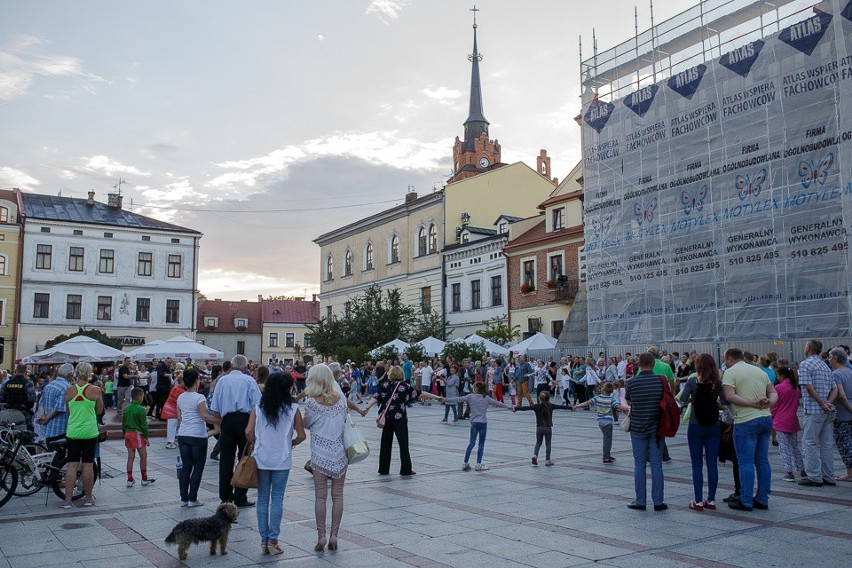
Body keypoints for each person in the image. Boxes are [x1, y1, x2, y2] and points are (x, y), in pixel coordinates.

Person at [246, 372, 306, 555]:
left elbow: (248, 431)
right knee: (277, 499)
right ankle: (273, 540)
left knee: (262, 499)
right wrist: (291, 443)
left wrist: (256, 442)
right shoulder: (293, 409)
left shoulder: (258, 407)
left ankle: (263, 540)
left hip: (262, 457)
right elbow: (302, 435)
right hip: (282, 458)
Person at [302, 364, 359, 551]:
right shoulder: (341, 397)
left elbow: (307, 424)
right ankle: (335, 535)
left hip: (320, 453)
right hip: (340, 452)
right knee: (338, 495)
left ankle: (321, 536)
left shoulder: (311, 402)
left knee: (320, 497)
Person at [722, 347, 777, 511]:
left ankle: (745, 500)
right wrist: (769, 402)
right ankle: (762, 498)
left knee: (745, 462)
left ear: (731, 359)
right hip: (765, 418)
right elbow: (773, 392)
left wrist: (751, 403)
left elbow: (730, 396)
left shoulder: (730, 372)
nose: (725, 363)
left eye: (725, 360)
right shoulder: (759, 371)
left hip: (745, 420)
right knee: (762, 460)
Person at [364, 365, 439, 476]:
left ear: (390, 374)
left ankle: (383, 469)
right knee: (403, 444)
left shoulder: (384, 385)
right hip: (400, 418)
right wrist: (436, 397)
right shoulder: (405, 386)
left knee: (385, 444)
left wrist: (366, 408)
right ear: (401, 374)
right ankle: (405, 469)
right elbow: (420, 394)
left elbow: (375, 397)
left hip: (387, 418)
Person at [210, 354, 262, 507]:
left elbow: (215, 408)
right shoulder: (250, 381)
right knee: (244, 457)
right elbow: (258, 406)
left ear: (231, 367)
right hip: (245, 420)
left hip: (228, 420)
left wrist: (221, 421)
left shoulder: (222, 381)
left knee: (226, 458)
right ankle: (240, 496)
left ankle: (225, 496)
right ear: (246, 368)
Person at [678, 354, 724, 511]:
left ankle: (697, 501)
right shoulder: (717, 382)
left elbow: (683, 399)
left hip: (695, 426)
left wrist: (692, 400)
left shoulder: (692, 381)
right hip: (714, 425)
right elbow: (724, 403)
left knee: (696, 464)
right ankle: (711, 500)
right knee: (712, 464)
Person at [622, 352, 666, 511]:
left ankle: (640, 501)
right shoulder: (660, 381)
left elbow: (628, 401)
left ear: (639, 364)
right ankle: (658, 501)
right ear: (653, 364)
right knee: (656, 465)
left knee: (639, 464)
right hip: (656, 428)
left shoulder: (632, 383)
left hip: (638, 428)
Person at [441, 382, 515, 471]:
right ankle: (478, 464)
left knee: (471, 443)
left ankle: (465, 463)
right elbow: (498, 403)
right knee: (481, 444)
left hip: (474, 422)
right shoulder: (486, 398)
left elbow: (458, 399)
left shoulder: (470, 396)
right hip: (483, 422)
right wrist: (509, 407)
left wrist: (444, 399)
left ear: (477, 389)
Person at [60, 362, 103, 508]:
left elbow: (69, 411)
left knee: (71, 466)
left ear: (76, 373)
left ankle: (67, 500)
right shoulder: (95, 390)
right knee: (87, 466)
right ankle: (88, 497)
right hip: (89, 431)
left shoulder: (69, 390)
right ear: (89, 373)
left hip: (73, 431)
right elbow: (99, 410)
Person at [177, 369, 220, 507]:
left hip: (183, 434)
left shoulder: (181, 397)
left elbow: (179, 417)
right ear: (197, 381)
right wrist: (220, 421)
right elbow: (205, 416)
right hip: (197, 435)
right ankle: (192, 498)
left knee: (186, 467)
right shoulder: (199, 398)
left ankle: (183, 498)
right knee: (198, 467)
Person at [798, 340, 837, 487]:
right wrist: (828, 403)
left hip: (814, 410)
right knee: (826, 444)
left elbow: (808, 386)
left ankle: (814, 476)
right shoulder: (825, 365)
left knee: (809, 442)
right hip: (827, 411)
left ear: (808, 348)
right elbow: (834, 389)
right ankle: (829, 476)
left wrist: (821, 403)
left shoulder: (805, 364)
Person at [516, 390, 570, 465]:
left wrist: (515, 409)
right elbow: (561, 407)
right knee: (548, 444)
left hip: (539, 428)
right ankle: (547, 460)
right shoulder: (551, 405)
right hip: (548, 428)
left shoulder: (536, 406)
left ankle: (535, 455)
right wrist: (571, 407)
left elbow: (526, 408)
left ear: (539, 398)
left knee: (538, 443)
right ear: (548, 398)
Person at [771, 367, 805, 482]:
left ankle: (789, 472)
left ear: (781, 375)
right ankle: (802, 469)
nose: (777, 377)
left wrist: (771, 416)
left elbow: (775, 405)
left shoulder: (778, 388)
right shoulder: (795, 388)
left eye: (777, 375)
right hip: (792, 420)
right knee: (795, 446)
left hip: (780, 420)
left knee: (784, 447)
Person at [574, 382, 620, 464]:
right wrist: (628, 409)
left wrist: (577, 406)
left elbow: (587, 403)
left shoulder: (598, 398)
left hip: (600, 421)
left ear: (603, 389)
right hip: (608, 422)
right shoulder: (612, 399)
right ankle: (606, 457)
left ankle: (607, 455)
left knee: (606, 439)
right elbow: (618, 407)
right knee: (607, 440)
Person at [828, 347, 852, 482]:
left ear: (835, 358)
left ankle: (850, 472)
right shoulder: (850, 371)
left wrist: (849, 409)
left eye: (830, 357)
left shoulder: (835, 374)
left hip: (843, 414)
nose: (828, 359)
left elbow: (841, 395)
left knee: (844, 443)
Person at [122, 387, 155, 487]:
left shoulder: (127, 408)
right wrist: (146, 437)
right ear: (140, 396)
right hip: (137, 434)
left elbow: (123, 423)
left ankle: (130, 479)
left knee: (130, 457)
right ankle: (144, 478)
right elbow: (144, 425)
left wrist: (124, 434)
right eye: (142, 396)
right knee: (143, 456)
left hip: (128, 433)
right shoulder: (140, 409)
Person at [36, 363, 73, 443]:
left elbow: (41, 403)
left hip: (48, 428)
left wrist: (43, 416)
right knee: (59, 454)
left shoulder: (49, 385)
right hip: (60, 428)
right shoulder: (66, 387)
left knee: (50, 452)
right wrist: (46, 419)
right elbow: (58, 408)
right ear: (69, 374)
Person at [0, 363, 37, 428]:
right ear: (26, 372)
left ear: (15, 371)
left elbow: (1, 397)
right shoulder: (28, 383)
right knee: (29, 432)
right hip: (23, 412)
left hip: (8, 411)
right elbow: (31, 399)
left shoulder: (7, 383)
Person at [161, 366, 185, 449]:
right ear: (181, 382)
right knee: (172, 425)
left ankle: (174, 439)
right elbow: (178, 401)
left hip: (172, 410)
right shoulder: (178, 389)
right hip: (171, 410)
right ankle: (170, 442)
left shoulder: (178, 388)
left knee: (175, 424)